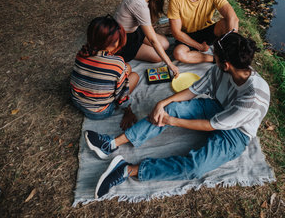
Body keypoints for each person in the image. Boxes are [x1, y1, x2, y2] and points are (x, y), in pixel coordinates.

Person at [84, 32, 270, 199]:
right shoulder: (221, 68)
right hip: (217, 107)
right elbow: (194, 90)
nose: (212, 58)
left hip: (236, 134)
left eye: (215, 57)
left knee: (196, 168)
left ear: (226, 65)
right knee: (170, 109)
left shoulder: (253, 98)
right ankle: (111, 144)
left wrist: (172, 121)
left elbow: (211, 125)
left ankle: (127, 170)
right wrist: (163, 103)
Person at [70, 15, 140, 129]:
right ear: (114, 42)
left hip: (76, 101)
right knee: (134, 76)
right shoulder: (117, 63)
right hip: (99, 112)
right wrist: (128, 111)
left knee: (126, 68)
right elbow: (122, 95)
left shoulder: (83, 52)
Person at [115, 0, 179, 77]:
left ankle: (142, 45)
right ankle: (135, 52)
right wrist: (169, 64)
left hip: (135, 30)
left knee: (165, 44)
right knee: (158, 57)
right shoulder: (139, 4)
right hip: (125, 39)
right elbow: (153, 40)